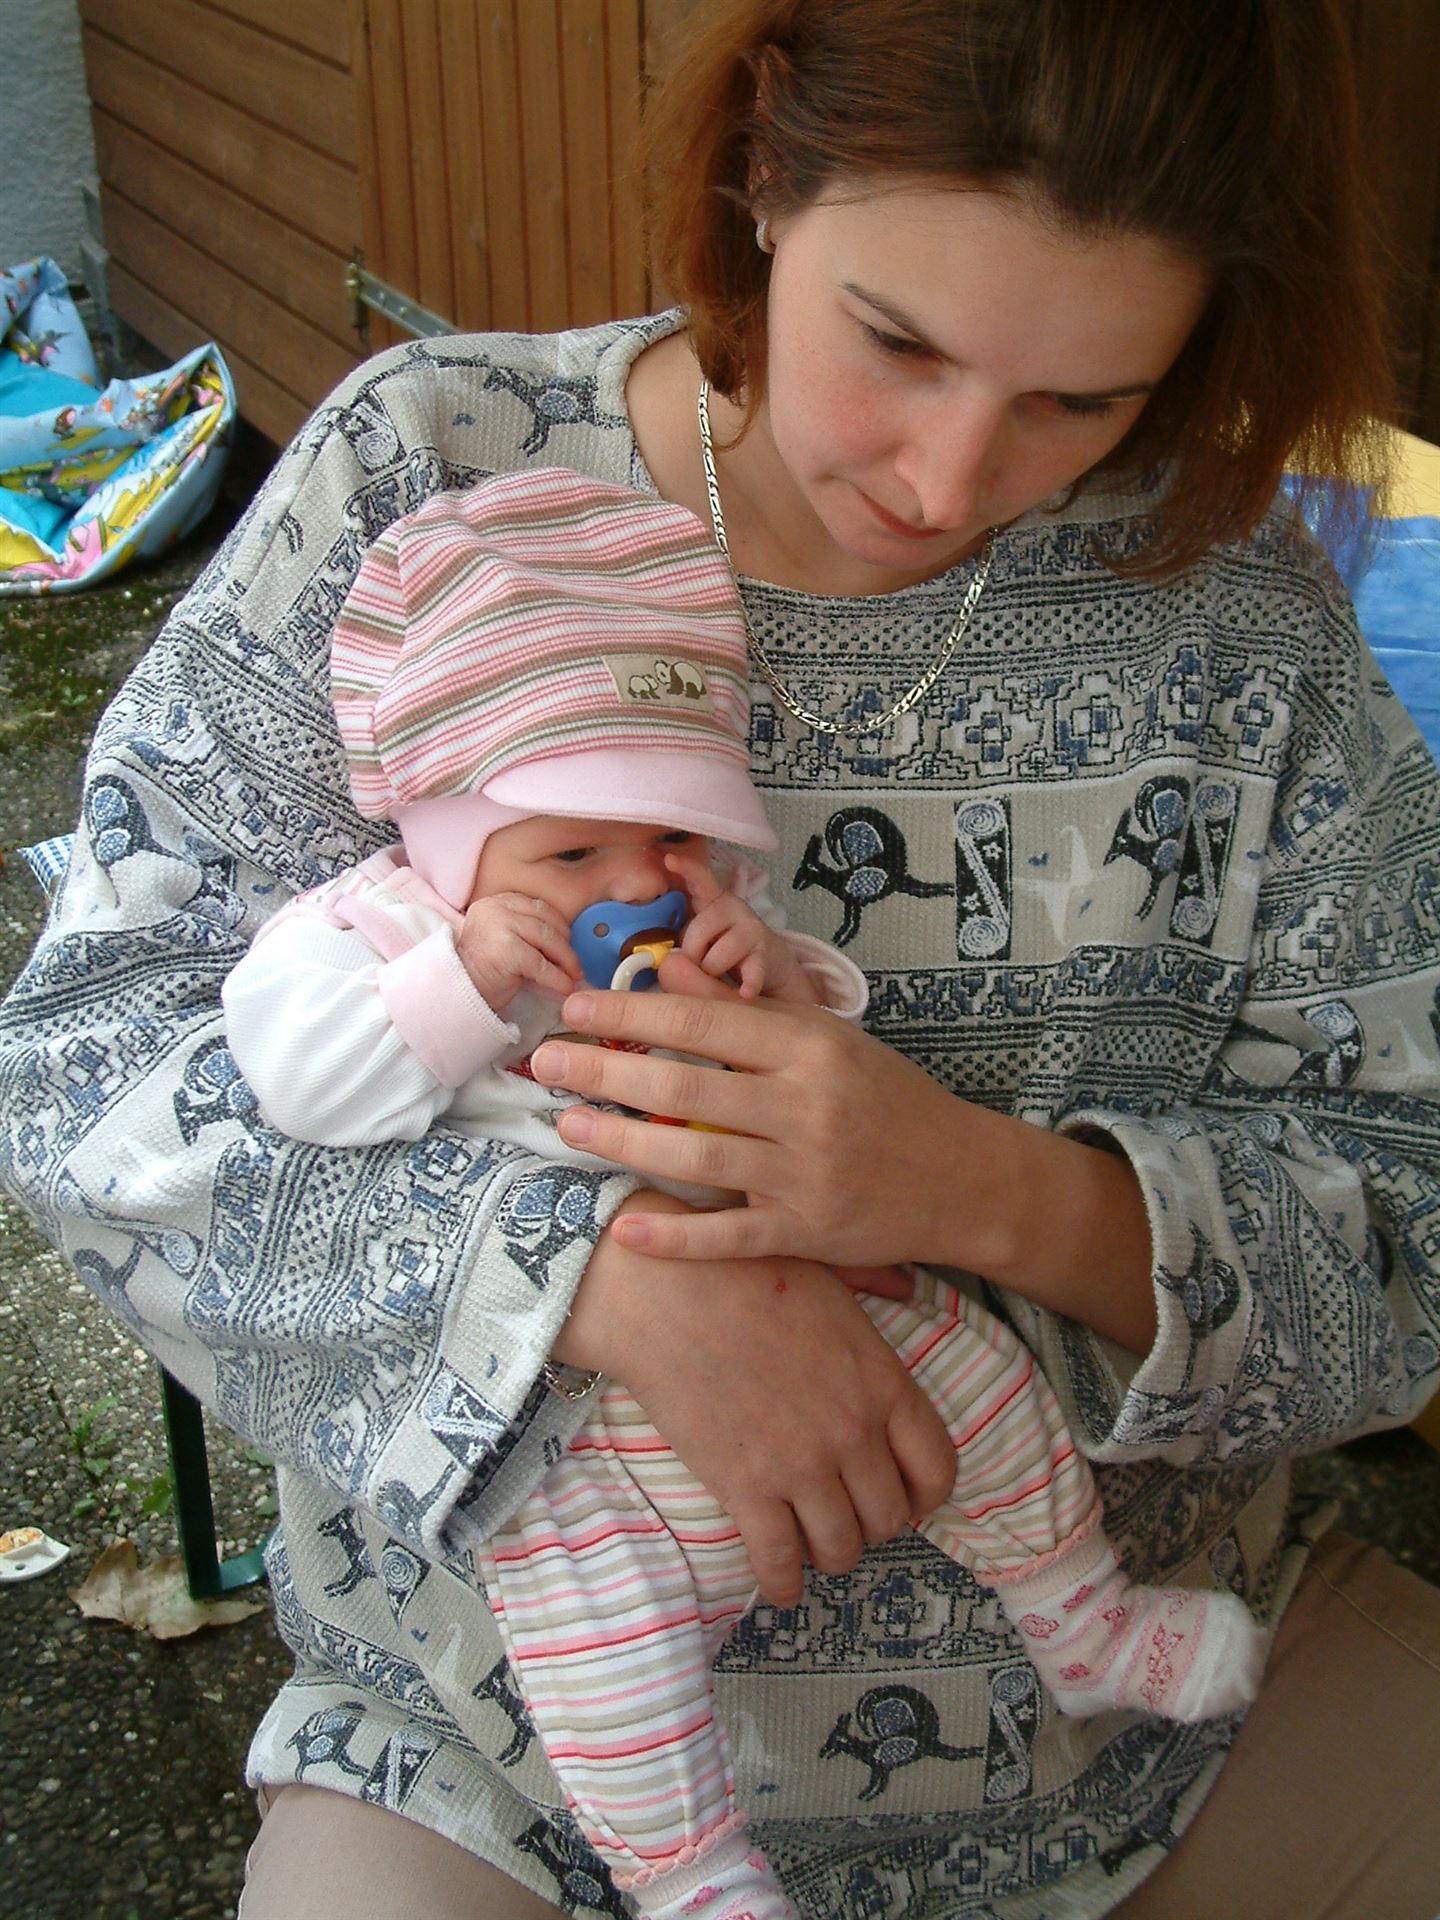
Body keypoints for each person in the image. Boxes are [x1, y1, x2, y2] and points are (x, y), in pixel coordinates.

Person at [1, 2, 1438, 1915]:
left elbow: (1414, 1219)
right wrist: (582, 1286)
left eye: (1082, 401)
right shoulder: (429, 480)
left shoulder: (1239, 606)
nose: (945, 478)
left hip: (1161, 1732)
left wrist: (990, 1193)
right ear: (766, 161)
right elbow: (84, 1072)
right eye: (897, 342)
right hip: (500, 1775)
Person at [220, 467, 1267, 1920]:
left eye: (670, 838)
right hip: (567, 1424)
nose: (634, 884)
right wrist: (456, 987)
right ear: (449, 830)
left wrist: (773, 982)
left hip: (813, 1300)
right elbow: (296, 1083)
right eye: (572, 850)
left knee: (979, 1378)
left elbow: (823, 1079)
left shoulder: (704, 915)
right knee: (595, 1642)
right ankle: (694, 1876)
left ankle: (1081, 1623)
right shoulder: (378, 927)